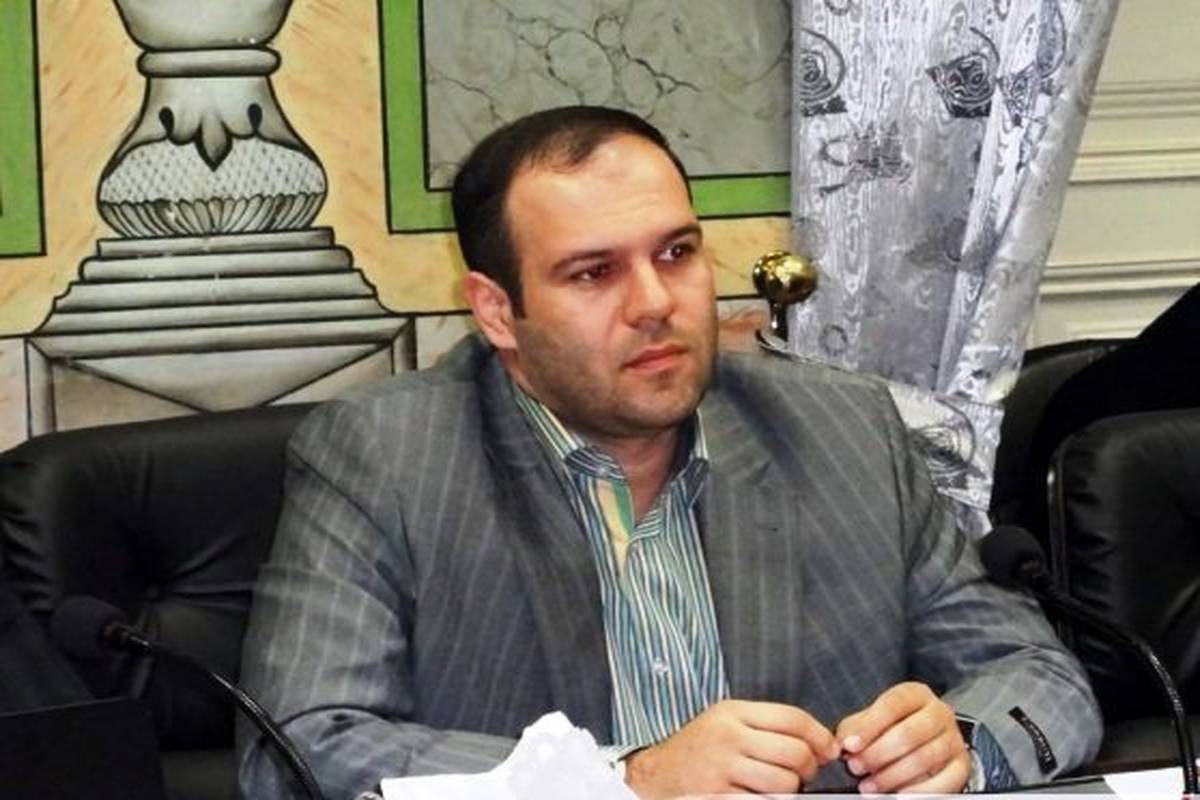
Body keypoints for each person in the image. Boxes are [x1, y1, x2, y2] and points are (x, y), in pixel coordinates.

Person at [238, 106, 1101, 799]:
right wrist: (625, 781)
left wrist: (959, 744)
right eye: (593, 273)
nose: (655, 303)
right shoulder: (384, 459)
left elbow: (1036, 675)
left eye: (677, 253)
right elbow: (299, 746)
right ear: (497, 312)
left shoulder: (846, 432)